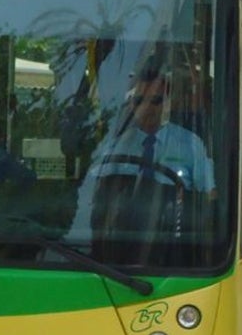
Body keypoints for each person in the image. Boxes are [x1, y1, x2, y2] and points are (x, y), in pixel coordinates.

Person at [64, 66, 214, 241]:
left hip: (172, 241)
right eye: (140, 101)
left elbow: (209, 195)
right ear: (131, 105)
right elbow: (94, 193)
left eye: (156, 100)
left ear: (168, 101)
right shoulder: (114, 144)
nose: (148, 108)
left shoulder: (190, 144)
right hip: (117, 239)